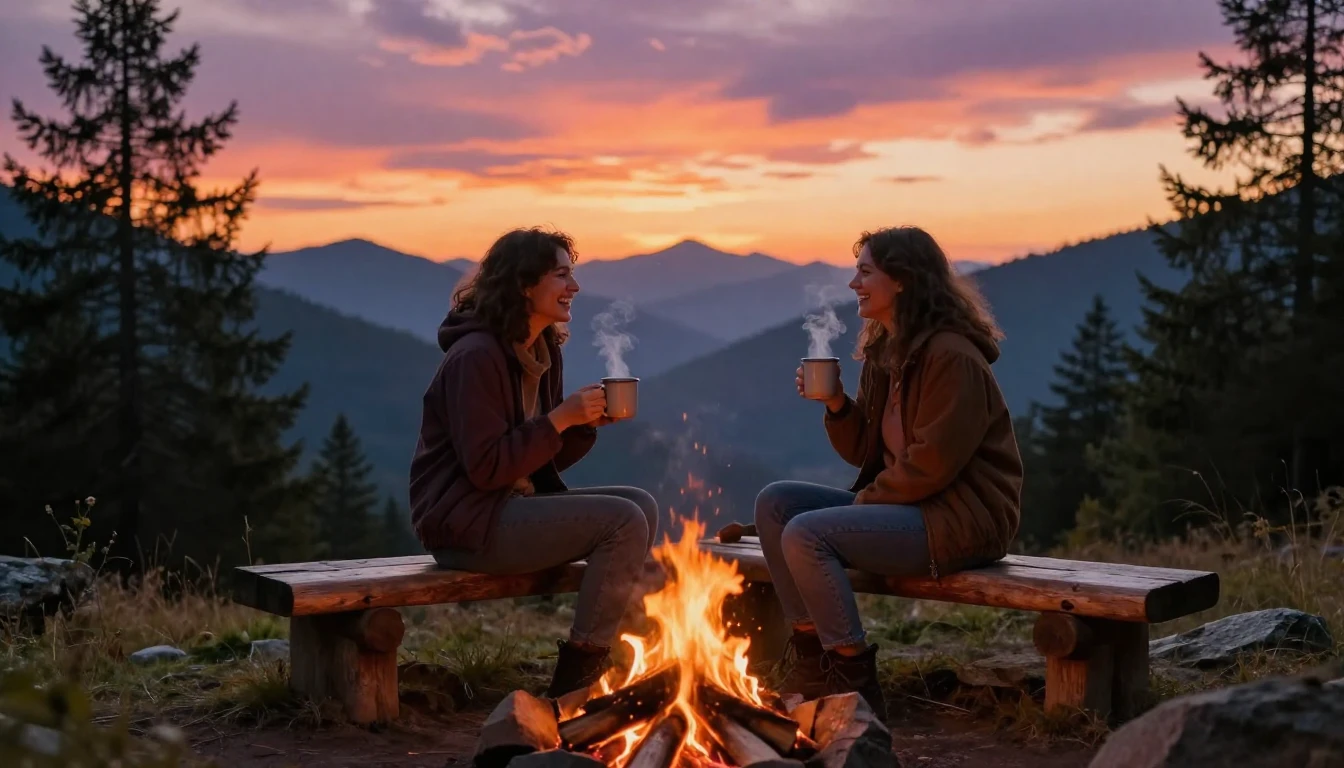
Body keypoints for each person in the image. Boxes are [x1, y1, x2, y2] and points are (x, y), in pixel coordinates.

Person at [754, 226, 1023, 713]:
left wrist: (861, 507)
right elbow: (865, 452)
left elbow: (931, 466)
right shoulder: (886, 353)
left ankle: (854, 679)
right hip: (910, 509)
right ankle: (813, 659)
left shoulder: (953, 357)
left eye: (865, 272)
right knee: (777, 504)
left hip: (960, 521)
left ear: (901, 279)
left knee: (807, 534)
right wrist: (836, 403)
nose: (854, 284)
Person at [409, 227, 660, 699]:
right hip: (466, 524)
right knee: (623, 520)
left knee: (639, 505)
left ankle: (595, 654)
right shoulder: (475, 358)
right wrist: (558, 419)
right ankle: (578, 679)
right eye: (561, 275)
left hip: (509, 508)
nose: (575, 287)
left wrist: (579, 425)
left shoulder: (542, 350)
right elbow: (486, 468)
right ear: (525, 284)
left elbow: (540, 459)